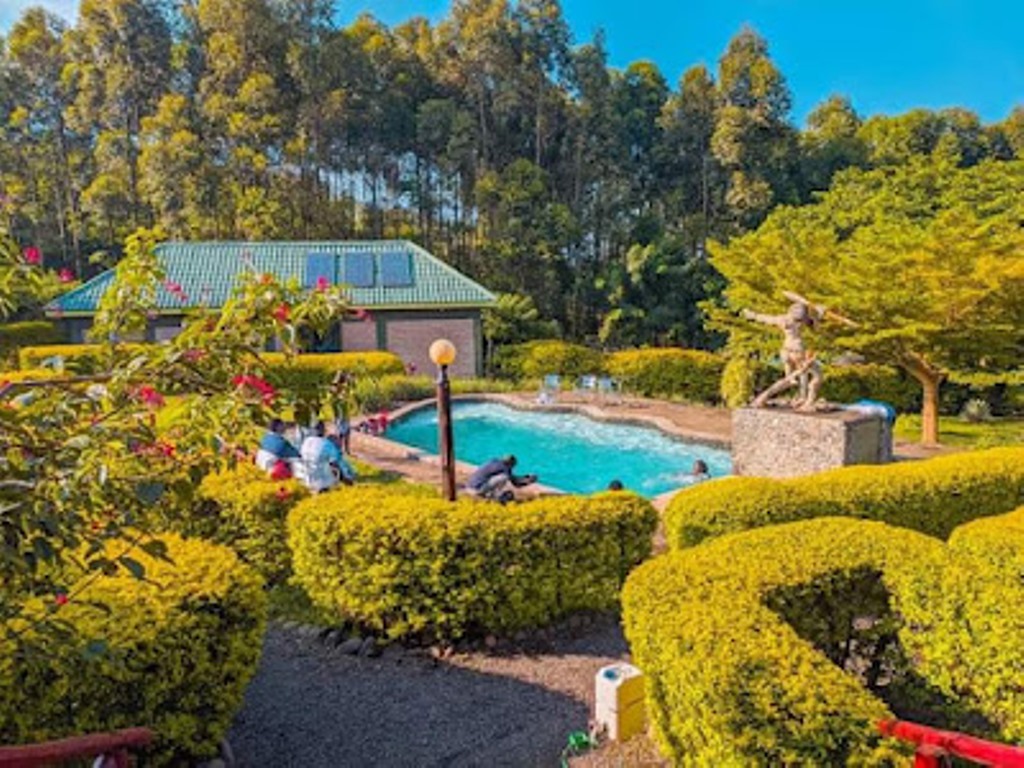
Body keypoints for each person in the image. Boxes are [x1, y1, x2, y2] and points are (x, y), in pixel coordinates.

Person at [296, 421, 355, 493]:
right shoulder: (327, 444)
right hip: (323, 481)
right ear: (323, 430)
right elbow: (335, 466)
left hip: (307, 479)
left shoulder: (306, 442)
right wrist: (346, 480)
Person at [466, 455, 537, 503]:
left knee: (502, 477)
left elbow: (513, 478)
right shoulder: (504, 468)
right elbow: (516, 483)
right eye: (513, 466)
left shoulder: (494, 461)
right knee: (504, 477)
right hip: (476, 490)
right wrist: (529, 481)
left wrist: (525, 477)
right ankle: (494, 497)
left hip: (469, 486)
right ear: (510, 464)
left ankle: (489, 494)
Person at [330, 371, 354, 454]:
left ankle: (346, 450)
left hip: (344, 414)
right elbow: (333, 396)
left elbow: (351, 385)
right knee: (341, 433)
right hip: (340, 415)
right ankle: (340, 450)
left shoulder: (344, 388)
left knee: (346, 432)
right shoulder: (336, 389)